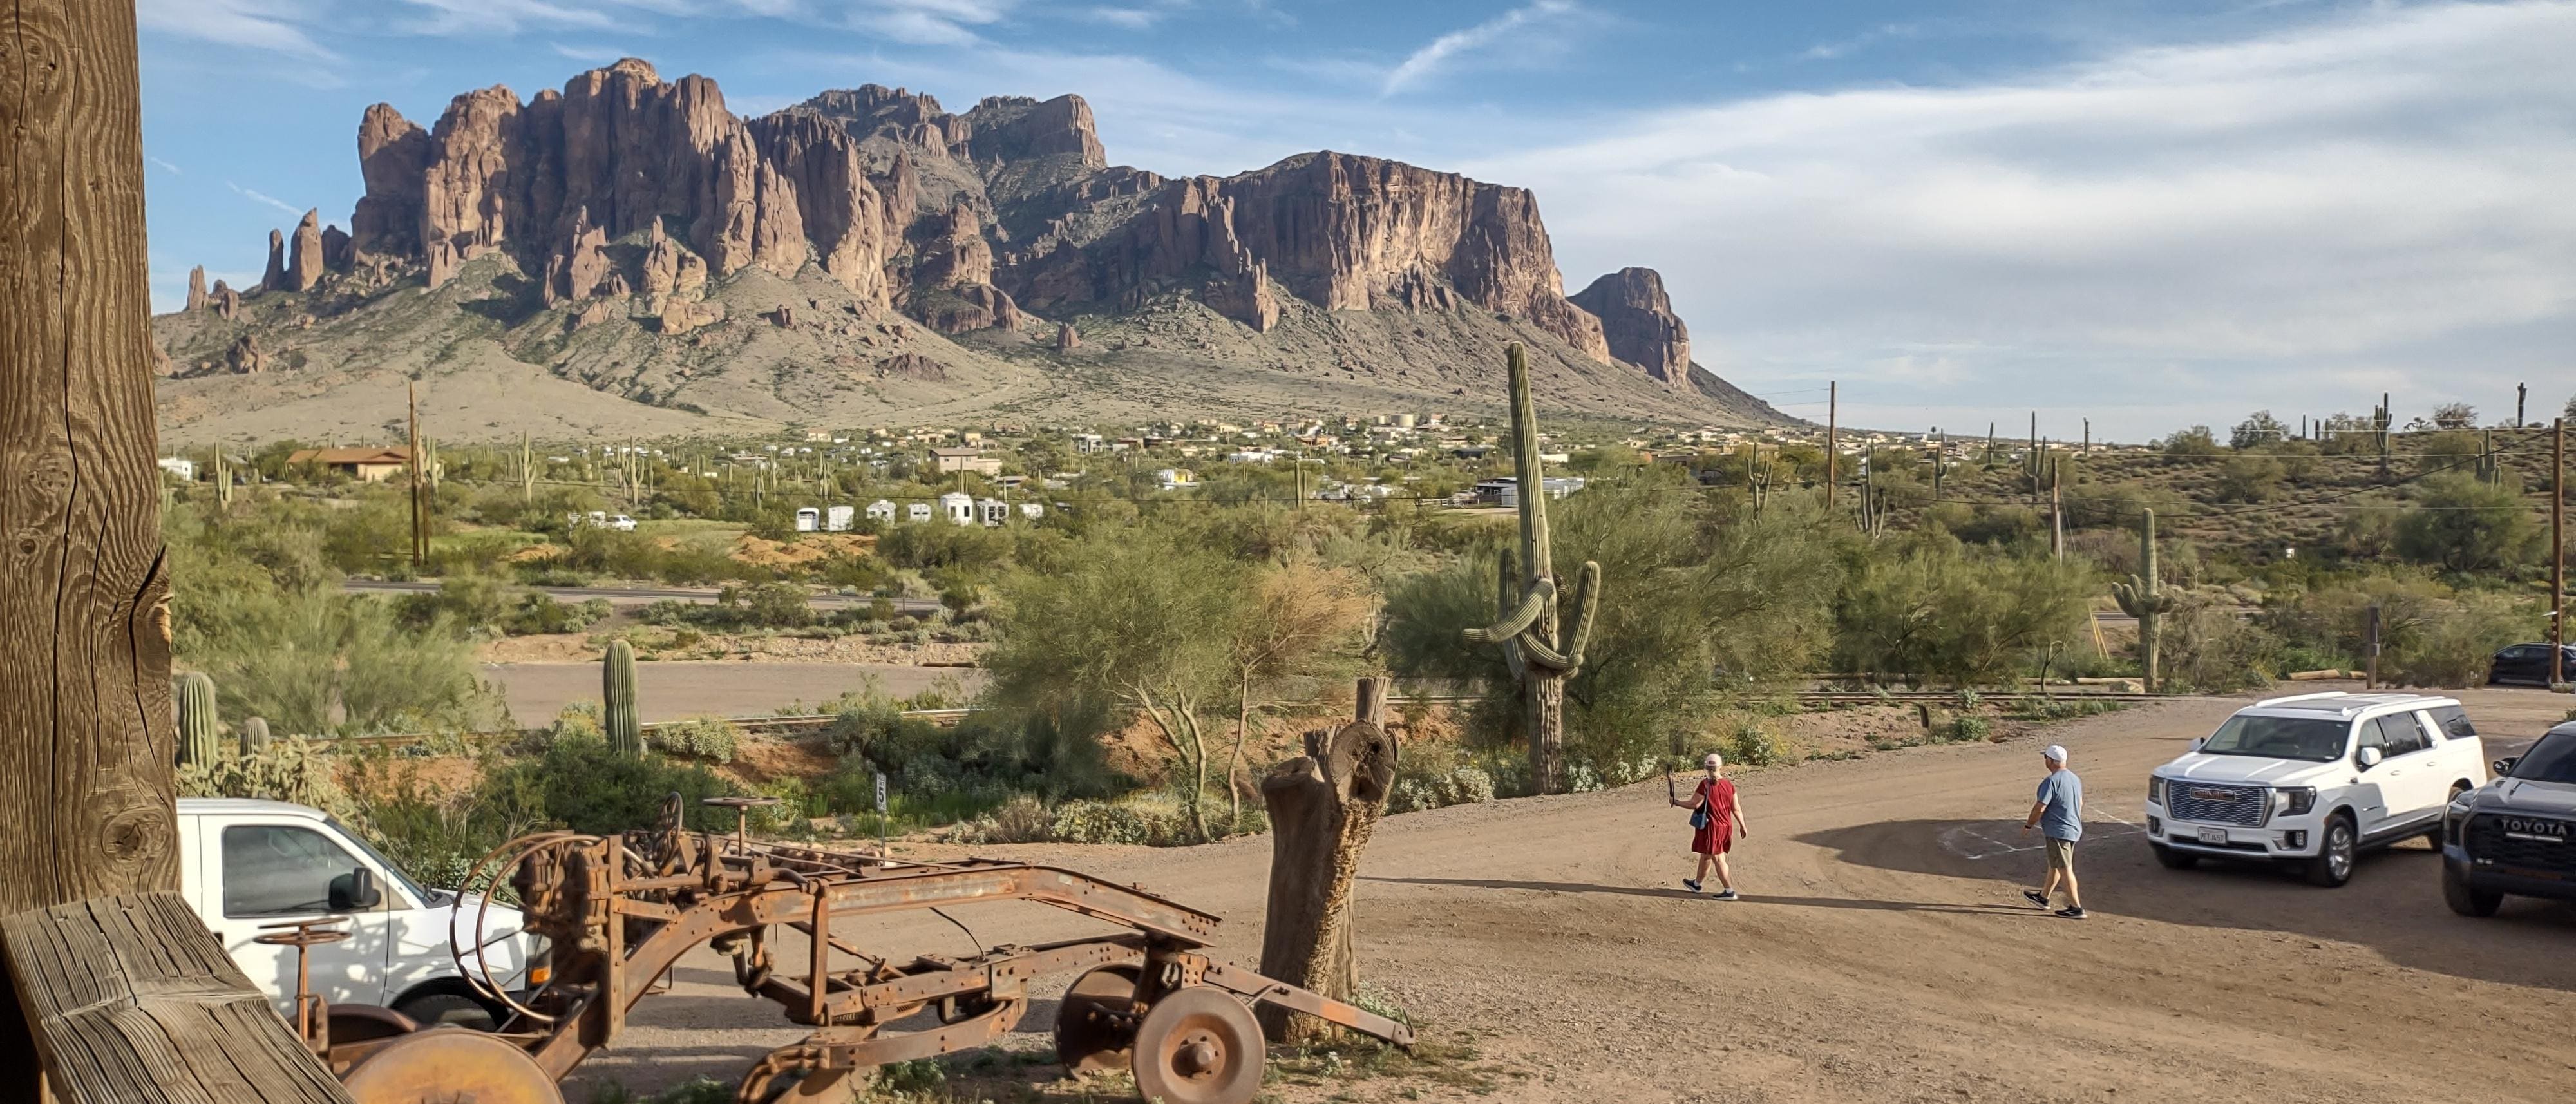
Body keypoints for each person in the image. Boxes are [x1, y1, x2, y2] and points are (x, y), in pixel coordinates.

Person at [1670, 752, 1749, 899]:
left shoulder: (1705, 785)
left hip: (1712, 827)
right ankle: (1697, 884)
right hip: (1725, 826)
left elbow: (1695, 804)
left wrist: (1677, 802)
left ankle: (1729, 891)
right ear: (1721, 767)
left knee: (1719, 859)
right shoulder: (1729, 785)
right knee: (1706, 855)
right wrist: (1742, 825)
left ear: (1705, 767)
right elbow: (1736, 808)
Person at [2020, 743, 2086, 919]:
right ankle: (2043, 897)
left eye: (2046, 758)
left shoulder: (2051, 782)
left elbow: (2040, 808)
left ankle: (2076, 907)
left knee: (2065, 868)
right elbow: (2080, 804)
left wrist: (2028, 825)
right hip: (2072, 829)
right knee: (2055, 865)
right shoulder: (2074, 779)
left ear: (2050, 761)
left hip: (2059, 833)